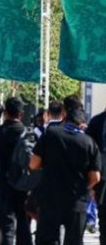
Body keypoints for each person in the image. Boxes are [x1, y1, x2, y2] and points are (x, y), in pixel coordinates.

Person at [30, 98, 101, 245]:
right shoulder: (89, 142)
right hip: (76, 201)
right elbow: (96, 177)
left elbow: (33, 164)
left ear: (64, 115)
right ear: (81, 122)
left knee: (47, 240)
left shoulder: (51, 134)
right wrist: (84, 188)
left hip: (50, 199)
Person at [0, 97, 32, 245]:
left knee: (5, 228)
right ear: (21, 114)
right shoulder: (27, 133)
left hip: (2, 186)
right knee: (24, 226)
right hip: (23, 186)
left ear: (5, 112)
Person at [86, 106, 106, 245]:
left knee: (104, 221)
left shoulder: (97, 121)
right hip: (101, 180)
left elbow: (89, 153)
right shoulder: (97, 122)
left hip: (101, 179)